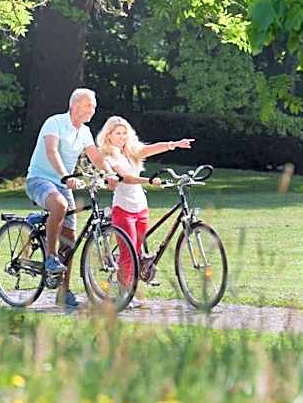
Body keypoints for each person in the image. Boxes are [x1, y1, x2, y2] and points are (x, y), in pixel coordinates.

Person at [25, 88, 117, 308]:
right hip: (40, 179)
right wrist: (65, 176)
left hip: (63, 183)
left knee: (70, 239)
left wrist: (110, 173)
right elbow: (51, 152)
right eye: (88, 105)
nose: (92, 110)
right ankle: (50, 257)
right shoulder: (54, 123)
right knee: (60, 204)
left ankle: (63, 292)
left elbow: (95, 156)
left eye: (94, 106)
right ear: (75, 105)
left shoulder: (84, 131)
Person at [96, 116, 194, 305]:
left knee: (137, 251)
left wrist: (174, 144)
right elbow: (126, 178)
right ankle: (124, 294)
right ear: (108, 135)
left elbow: (150, 149)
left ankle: (129, 285)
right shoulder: (109, 157)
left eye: (124, 133)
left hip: (141, 207)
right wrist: (148, 181)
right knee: (128, 252)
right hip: (123, 208)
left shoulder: (131, 152)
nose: (122, 137)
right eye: (118, 133)